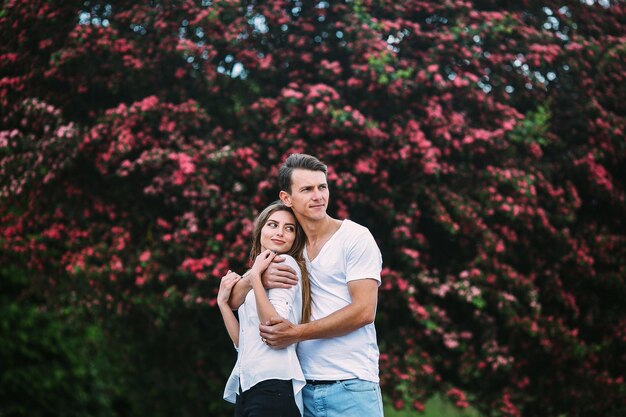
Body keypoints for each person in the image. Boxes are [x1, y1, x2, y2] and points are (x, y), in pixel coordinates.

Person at [229, 154, 384, 417]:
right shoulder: (291, 248)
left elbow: (364, 311)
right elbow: (233, 300)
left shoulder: (355, 238)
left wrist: (297, 332)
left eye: (322, 187)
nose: (318, 196)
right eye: (307, 189)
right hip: (300, 389)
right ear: (286, 198)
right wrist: (255, 278)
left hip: (350, 385)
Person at [217, 201, 311, 417]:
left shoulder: (284, 263)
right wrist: (223, 304)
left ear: (295, 238)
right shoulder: (259, 273)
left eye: (289, 228)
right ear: (260, 230)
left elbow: (273, 327)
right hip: (249, 386)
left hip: (274, 385)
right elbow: (244, 342)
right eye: (273, 225)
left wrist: (255, 278)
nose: (280, 233)